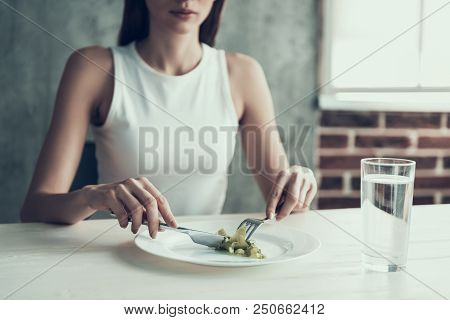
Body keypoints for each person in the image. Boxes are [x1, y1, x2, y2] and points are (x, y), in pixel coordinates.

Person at [21, 0, 317, 239]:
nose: (185, 0)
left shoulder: (242, 73)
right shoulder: (92, 69)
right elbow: (35, 208)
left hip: (204, 258)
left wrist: (298, 182)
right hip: (117, 255)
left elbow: (284, 204)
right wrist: (91, 197)